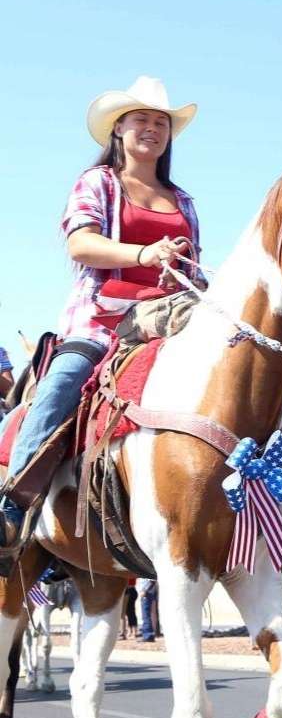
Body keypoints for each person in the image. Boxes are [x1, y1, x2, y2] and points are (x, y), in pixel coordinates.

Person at [0, 76, 201, 575]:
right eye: (142, 120)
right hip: (102, 322)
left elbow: (193, 267)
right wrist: (143, 253)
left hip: (171, 323)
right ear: (118, 130)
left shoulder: (184, 201)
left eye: (161, 123)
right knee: (62, 385)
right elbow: (81, 245)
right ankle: (12, 505)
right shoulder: (98, 184)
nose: (152, 130)